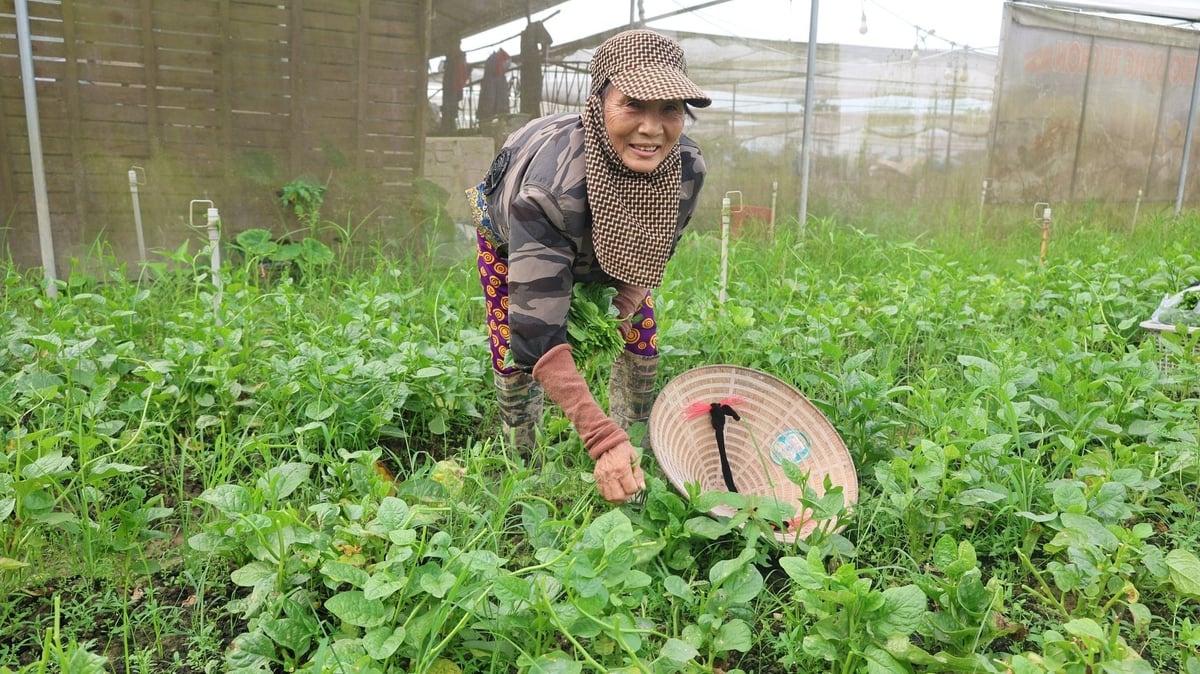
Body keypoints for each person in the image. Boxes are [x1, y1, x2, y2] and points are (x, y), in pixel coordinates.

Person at [466, 29, 710, 504]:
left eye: (670, 109)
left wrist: (621, 304)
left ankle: (635, 445)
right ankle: (525, 462)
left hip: (616, 246)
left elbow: (658, 247)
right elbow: (536, 336)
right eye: (633, 105)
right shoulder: (546, 193)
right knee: (514, 349)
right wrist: (600, 440)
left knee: (641, 341)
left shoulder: (685, 169)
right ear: (598, 103)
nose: (651, 128)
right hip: (515, 240)